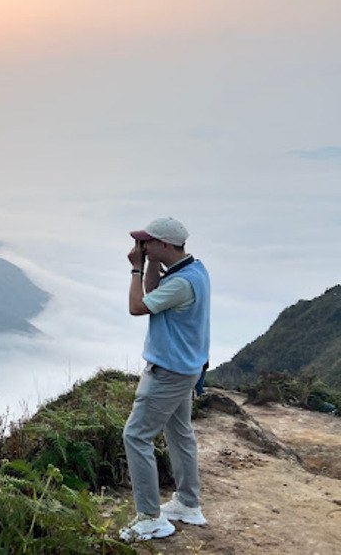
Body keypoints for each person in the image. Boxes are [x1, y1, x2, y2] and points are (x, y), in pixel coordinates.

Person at [119, 217, 211, 543]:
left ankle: (150, 518)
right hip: (186, 369)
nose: (141, 247)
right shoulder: (193, 271)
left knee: (136, 436)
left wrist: (134, 268)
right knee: (179, 433)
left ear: (166, 245)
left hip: (168, 372)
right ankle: (188, 503)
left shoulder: (182, 283)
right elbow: (154, 293)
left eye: (148, 242)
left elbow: (137, 306)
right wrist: (149, 264)